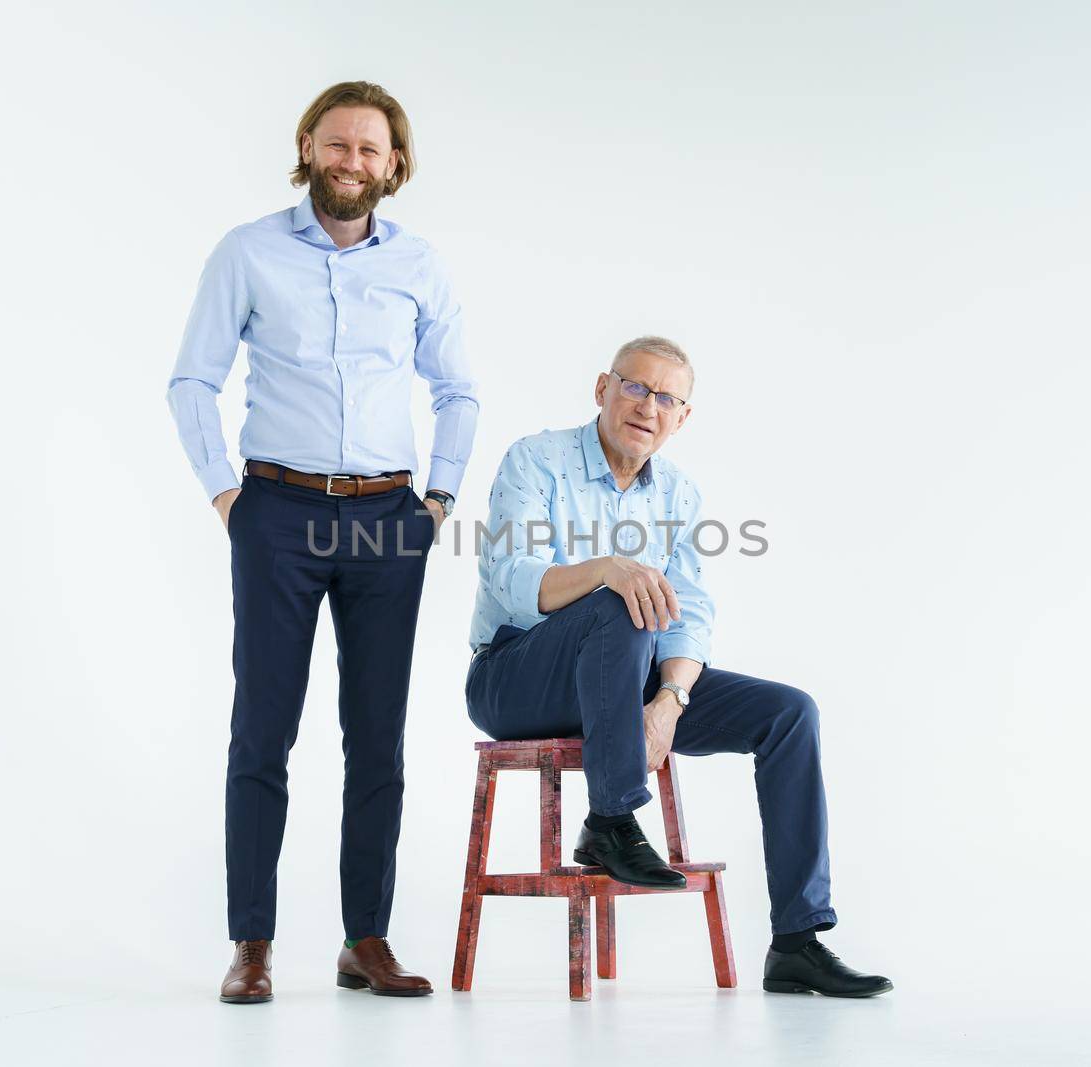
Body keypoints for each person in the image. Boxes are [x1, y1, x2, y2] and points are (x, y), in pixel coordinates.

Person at [166, 80, 477, 1003]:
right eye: (337, 145)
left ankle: (365, 937)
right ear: (307, 147)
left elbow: (458, 390)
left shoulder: (420, 265)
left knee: (375, 737)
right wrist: (228, 494)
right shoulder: (248, 252)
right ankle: (252, 943)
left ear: (394, 165)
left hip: (390, 518)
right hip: (277, 512)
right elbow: (193, 380)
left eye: (370, 150)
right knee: (262, 729)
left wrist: (438, 498)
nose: (352, 162)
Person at [464, 336, 892, 997]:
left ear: (683, 417)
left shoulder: (679, 494)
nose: (648, 406)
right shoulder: (537, 460)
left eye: (668, 397)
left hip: (623, 678)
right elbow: (514, 578)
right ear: (603, 389)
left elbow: (689, 613)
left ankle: (798, 940)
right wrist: (609, 568)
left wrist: (668, 700)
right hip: (516, 675)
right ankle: (610, 819)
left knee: (788, 713)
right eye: (636, 387)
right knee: (622, 597)